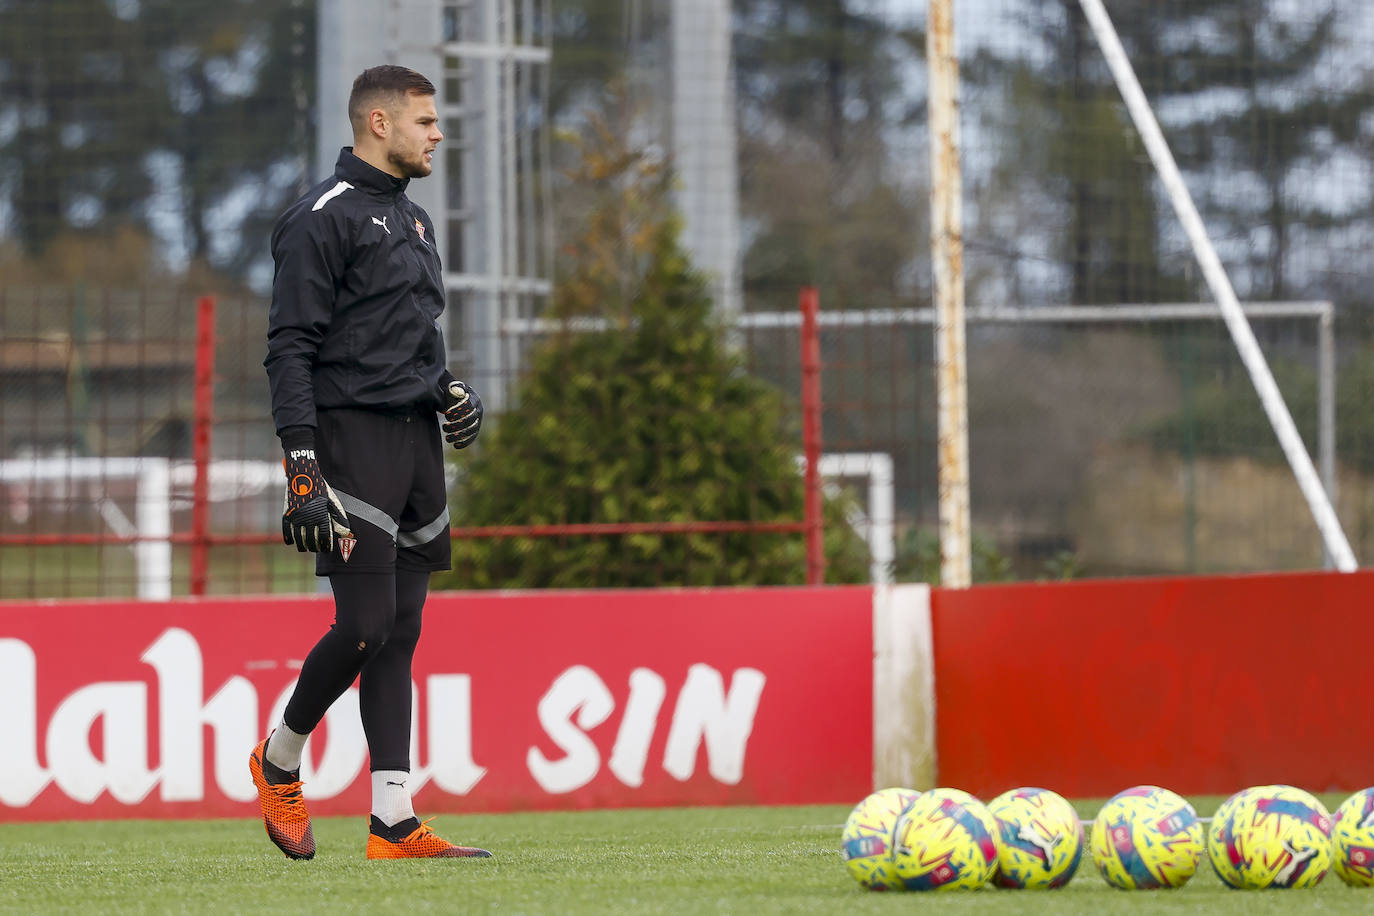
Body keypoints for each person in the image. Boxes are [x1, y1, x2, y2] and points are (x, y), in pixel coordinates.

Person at [251, 64, 489, 861]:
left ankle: (393, 819)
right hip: (348, 440)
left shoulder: (414, 222)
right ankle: (280, 758)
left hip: (416, 441)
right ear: (379, 123)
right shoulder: (318, 219)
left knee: (404, 630)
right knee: (364, 625)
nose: (438, 134)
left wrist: (450, 390)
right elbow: (290, 348)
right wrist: (302, 467)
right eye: (426, 121)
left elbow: (412, 335)